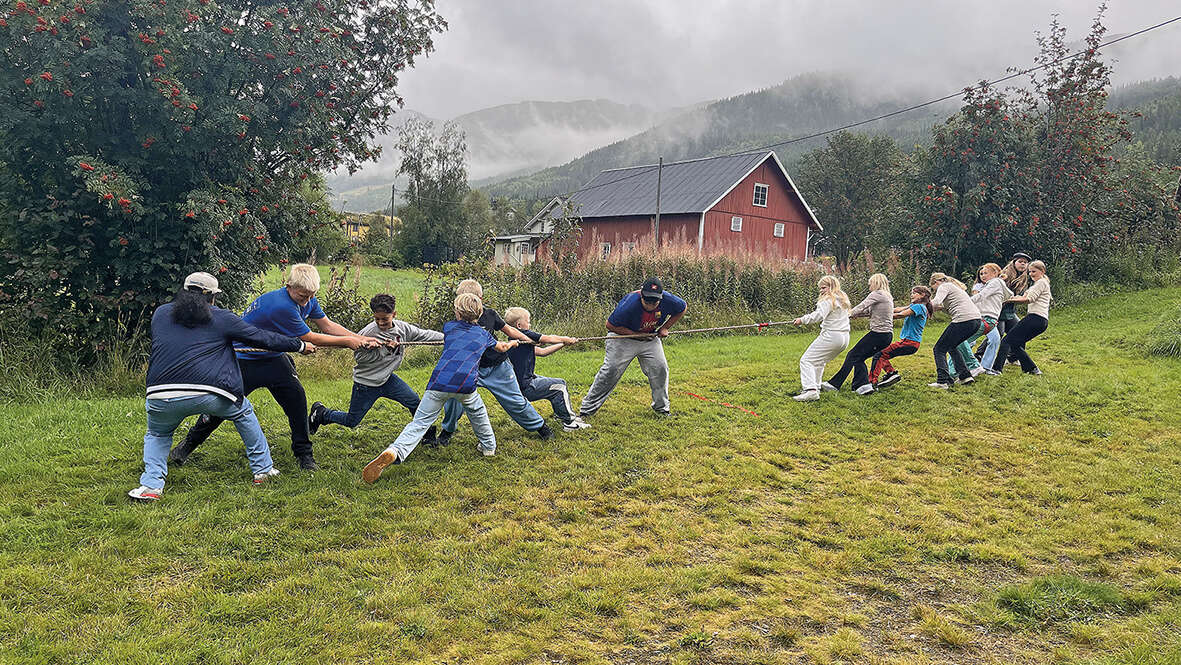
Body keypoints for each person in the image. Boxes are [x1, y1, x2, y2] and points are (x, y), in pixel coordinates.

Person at [168, 263, 379, 471]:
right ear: (289, 287)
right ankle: (187, 446)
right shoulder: (281, 306)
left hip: (274, 358)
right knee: (223, 405)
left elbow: (327, 325)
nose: (307, 301)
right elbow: (310, 337)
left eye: (311, 296)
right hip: (245, 360)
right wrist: (349, 342)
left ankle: (304, 454)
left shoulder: (307, 298)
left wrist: (361, 338)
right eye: (302, 296)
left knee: (297, 401)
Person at [129, 272, 317, 501]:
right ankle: (263, 470)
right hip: (209, 391)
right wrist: (299, 345)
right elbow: (261, 337)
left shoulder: (160, 314)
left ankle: (151, 486)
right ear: (213, 297)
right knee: (243, 412)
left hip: (159, 393)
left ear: (184, 291)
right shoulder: (221, 317)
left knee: (158, 434)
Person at [361, 293, 517, 483]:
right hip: (465, 385)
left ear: (457, 313)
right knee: (478, 413)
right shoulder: (484, 335)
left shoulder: (449, 327)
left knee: (419, 422)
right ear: (479, 313)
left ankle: (395, 451)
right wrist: (512, 343)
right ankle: (489, 447)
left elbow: (450, 337)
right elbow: (501, 347)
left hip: (439, 384)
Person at [437, 279, 569, 445]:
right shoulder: (457, 322)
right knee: (454, 398)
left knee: (515, 401)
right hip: (471, 368)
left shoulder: (490, 315)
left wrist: (528, 339)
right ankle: (447, 431)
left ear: (480, 299)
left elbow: (510, 330)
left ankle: (541, 427)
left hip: (498, 367)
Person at [308, 294, 442, 444]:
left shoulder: (402, 328)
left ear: (394, 314)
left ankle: (426, 433)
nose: (380, 322)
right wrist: (383, 350)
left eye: (385, 319)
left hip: (387, 379)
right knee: (352, 421)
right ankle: (321, 413)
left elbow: (424, 335)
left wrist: (447, 338)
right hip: (366, 384)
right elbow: (360, 359)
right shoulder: (369, 333)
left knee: (414, 401)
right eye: (377, 318)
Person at [578, 277, 687, 417]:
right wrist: (637, 335)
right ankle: (587, 410)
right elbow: (610, 325)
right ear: (641, 295)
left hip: (649, 337)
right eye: (647, 301)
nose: (650, 305)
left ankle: (662, 409)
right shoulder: (630, 303)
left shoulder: (669, 300)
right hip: (622, 337)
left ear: (661, 297)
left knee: (660, 368)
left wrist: (665, 327)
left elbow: (682, 308)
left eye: (654, 302)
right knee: (611, 371)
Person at [502, 307, 588, 431]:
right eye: (528, 321)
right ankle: (570, 423)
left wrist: (563, 344)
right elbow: (548, 338)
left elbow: (543, 352)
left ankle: (562, 414)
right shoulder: (524, 335)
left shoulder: (516, 342)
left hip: (521, 384)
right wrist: (566, 339)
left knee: (553, 385)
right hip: (526, 387)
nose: (530, 324)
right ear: (519, 325)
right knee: (560, 386)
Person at [822, 273, 894, 396]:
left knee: (852, 355)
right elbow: (867, 311)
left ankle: (834, 384)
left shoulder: (877, 294)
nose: (869, 286)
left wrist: (846, 314)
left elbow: (862, 306)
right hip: (886, 336)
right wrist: (856, 314)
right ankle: (863, 386)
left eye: (870, 284)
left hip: (878, 334)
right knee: (859, 358)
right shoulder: (887, 296)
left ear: (876, 283)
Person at [791, 275, 851, 402]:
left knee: (806, 360)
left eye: (824, 288)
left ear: (831, 286)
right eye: (821, 288)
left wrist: (802, 320)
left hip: (832, 336)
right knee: (819, 361)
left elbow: (818, 315)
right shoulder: (842, 298)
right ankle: (816, 387)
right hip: (844, 338)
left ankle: (810, 390)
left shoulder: (828, 299)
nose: (821, 291)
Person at [990, 260, 1052, 375]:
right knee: (1015, 343)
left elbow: (1028, 299)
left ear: (1042, 271)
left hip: (1035, 318)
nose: (1031, 274)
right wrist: (1012, 297)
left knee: (1006, 341)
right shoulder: (1039, 284)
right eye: (1030, 272)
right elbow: (1023, 296)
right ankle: (1032, 369)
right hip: (1042, 321)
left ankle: (996, 369)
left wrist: (1008, 300)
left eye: (1034, 271)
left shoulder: (1041, 283)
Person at [953, 262, 1012, 375]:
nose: (983, 276)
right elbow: (979, 296)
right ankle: (965, 366)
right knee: (965, 342)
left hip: (987, 318)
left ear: (995, 273)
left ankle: (983, 367)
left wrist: (963, 303)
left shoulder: (995, 283)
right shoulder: (983, 285)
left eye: (986, 273)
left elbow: (982, 296)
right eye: (981, 274)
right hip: (981, 317)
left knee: (993, 339)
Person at [870, 285, 932, 389]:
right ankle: (891, 373)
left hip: (909, 342)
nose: (911, 295)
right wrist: (880, 310)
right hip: (911, 343)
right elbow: (898, 309)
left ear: (922, 295)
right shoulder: (916, 306)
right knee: (882, 354)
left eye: (914, 293)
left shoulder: (919, 307)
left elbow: (901, 314)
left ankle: (872, 382)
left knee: (879, 355)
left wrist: (882, 316)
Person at [928, 272, 983, 389]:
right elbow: (942, 306)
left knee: (939, 348)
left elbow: (936, 302)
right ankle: (965, 376)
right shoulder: (955, 288)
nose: (934, 291)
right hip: (976, 321)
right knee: (952, 346)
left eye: (933, 288)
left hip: (963, 320)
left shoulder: (944, 286)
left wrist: (923, 305)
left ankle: (942, 381)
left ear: (936, 282)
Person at [978, 252, 1031, 363]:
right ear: (1014, 262)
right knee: (998, 333)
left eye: (1025, 262)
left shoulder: (1023, 277)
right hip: (999, 309)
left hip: (1010, 310)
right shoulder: (1005, 275)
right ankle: (979, 355)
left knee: (1020, 331)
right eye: (1020, 261)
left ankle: (1013, 357)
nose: (1023, 264)